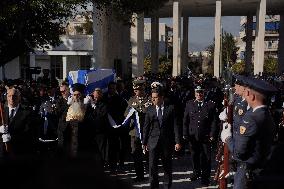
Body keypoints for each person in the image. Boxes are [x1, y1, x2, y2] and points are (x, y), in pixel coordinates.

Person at [221, 77, 277, 189]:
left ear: (252, 96)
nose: (245, 95)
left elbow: (239, 152)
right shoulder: (266, 114)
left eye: (247, 92)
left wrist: (227, 138)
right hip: (259, 169)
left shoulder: (251, 118)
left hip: (247, 171)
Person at [142, 86, 181, 189]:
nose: (153, 99)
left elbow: (175, 126)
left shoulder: (170, 108)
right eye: (152, 97)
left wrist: (177, 141)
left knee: (167, 166)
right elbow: (146, 127)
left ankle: (167, 186)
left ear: (162, 97)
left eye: (155, 97)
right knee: (152, 167)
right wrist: (144, 142)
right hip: (153, 142)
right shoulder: (150, 109)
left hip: (166, 142)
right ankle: (154, 186)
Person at [183, 86, 218, 185]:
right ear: (195, 94)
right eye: (197, 93)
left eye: (201, 93)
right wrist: (185, 133)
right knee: (194, 155)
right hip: (193, 136)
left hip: (206, 136)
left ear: (204, 93)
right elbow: (185, 120)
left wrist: (212, 134)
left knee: (206, 157)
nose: (199, 95)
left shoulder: (210, 105)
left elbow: (214, 122)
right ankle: (196, 172)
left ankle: (205, 178)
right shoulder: (189, 104)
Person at [124, 78, 152, 182]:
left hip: (147, 132)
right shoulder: (131, 100)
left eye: (139, 90)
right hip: (134, 132)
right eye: (135, 91)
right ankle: (139, 175)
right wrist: (131, 114)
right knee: (136, 154)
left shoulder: (149, 99)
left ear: (143, 89)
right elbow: (126, 114)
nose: (137, 92)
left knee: (149, 155)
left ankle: (151, 175)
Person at [0, 88, 38, 159]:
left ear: (19, 97)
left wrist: (12, 137)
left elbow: (29, 134)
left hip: (19, 153)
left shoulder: (27, 113)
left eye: (14, 96)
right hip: (2, 153)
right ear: (6, 97)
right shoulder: (2, 112)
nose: (12, 98)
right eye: (9, 96)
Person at [57, 83, 87, 158]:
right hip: (68, 131)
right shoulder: (68, 105)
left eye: (78, 95)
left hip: (81, 132)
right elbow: (62, 117)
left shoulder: (85, 105)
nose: (76, 97)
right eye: (74, 95)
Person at [84, 88, 110, 165]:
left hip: (100, 130)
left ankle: (102, 163)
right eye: (94, 96)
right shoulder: (90, 104)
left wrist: (94, 106)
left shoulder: (104, 104)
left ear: (101, 95)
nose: (95, 98)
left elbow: (101, 115)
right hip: (91, 130)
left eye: (97, 96)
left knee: (101, 148)